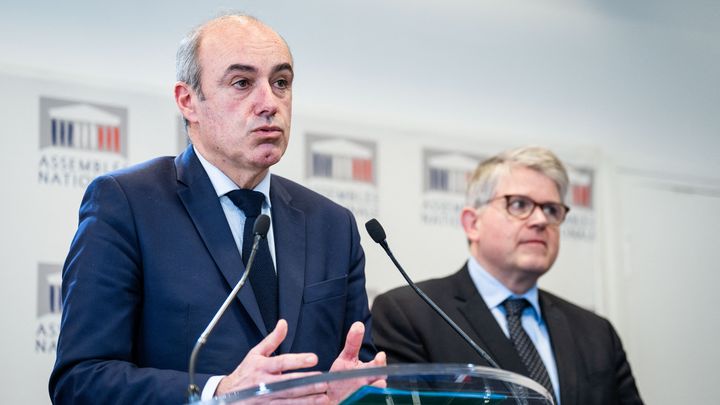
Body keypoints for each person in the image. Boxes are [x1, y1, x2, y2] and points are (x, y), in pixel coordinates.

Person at [49, 14, 385, 404]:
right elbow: (81, 380)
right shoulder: (127, 204)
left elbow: (357, 362)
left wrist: (349, 393)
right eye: (242, 83)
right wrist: (217, 394)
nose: (269, 104)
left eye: (281, 83)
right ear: (187, 101)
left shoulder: (332, 224)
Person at [371, 147, 643, 405]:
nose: (540, 221)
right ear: (472, 223)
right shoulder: (409, 314)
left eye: (551, 209)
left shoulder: (596, 332)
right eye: (519, 204)